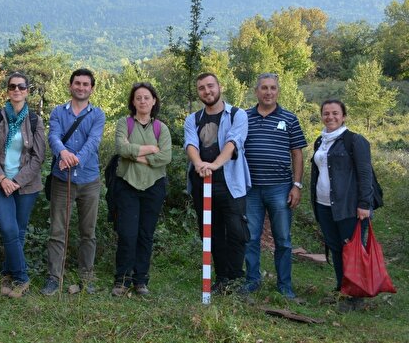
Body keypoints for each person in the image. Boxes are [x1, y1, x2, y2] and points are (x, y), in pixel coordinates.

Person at [184, 72, 251, 294]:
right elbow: (190, 144)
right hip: (202, 182)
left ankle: (236, 278)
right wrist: (200, 164)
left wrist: (214, 165)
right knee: (210, 233)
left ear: (219, 86)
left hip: (231, 183)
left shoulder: (237, 114)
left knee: (236, 231)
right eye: (202, 88)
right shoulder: (193, 118)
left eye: (210, 86)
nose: (207, 91)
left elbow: (234, 142)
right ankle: (221, 278)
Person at [0, 72, 46, 298]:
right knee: (8, 229)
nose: (16, 90)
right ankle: (22, 278)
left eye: (21, 86)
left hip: (25, 185)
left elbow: (38, 157)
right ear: (7, 91)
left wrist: (16, 181)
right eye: (12, 86)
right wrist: (2, 179)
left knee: (18, 232)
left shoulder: (35, 121)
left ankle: (7, 272)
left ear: (27, 91)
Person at [41, 68, 106, 296]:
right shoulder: (58, 112)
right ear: (70, 86)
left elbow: (94, 141)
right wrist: (63, 154)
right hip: (62, 180)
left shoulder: (98, 115)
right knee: (57, 230)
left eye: (85, 84)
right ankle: (53, 277)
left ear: (91, 88)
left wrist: (74, 159)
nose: (81, 87)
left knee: (88, 232)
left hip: (89, 180)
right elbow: (54, 137)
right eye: (77, 83)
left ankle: (86, 278)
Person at [243, 73, 307, 298]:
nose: (268, 92)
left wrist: (296, 185)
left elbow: (297, 154)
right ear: (256, 91)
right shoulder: (244, 117)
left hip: (280, 187)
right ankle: (252, 280)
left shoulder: (289, 118)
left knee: (282, 239)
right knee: (250, 237)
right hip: (251, 189)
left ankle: (284, 285)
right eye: (264, 88)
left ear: (278, 91)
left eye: (272, 88)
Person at [311, 99, 373, 311]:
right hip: (324, 205)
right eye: (326, 113)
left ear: (344, 116)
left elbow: (365, 174)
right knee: (336, 248)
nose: (330, 117)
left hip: (349, 206)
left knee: (352, 250)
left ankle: (355, 297)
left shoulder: (355, 141)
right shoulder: (320, 141)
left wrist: (364, 204)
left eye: (335, 113)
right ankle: (342, 288)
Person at [111, 82, 172, 296]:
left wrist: (136, 156)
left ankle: (141, 280)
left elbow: (166, 156)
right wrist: (149, 150)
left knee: (146, 234)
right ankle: (122, 279)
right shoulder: (124, 123)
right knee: (127, 233)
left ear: (154, 100)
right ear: (133, 101)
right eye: (138, 98)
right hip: (127, 185)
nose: (143, 101)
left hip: (154, 187)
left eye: (147, 97)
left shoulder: (160, 128)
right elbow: (121, 148)